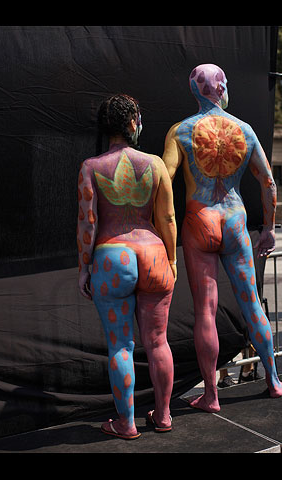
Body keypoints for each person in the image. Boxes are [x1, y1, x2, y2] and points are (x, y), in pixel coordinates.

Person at [162, 64, 282, 413]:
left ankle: (211, 395)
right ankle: (273, 379)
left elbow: (164, 178)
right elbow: (268, 183)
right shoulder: (244, 130)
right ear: (219, 87)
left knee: (205, 310)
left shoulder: (181, 131)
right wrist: (270, 228)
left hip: (199, 219)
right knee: (252, 302)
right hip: (234, 219)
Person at [77, 94, 177, 439]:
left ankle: (126, 422)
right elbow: (166, 217)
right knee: (158, 342)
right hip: (153, 253)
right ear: (133, 123)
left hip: (112, 257)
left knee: (121, 345)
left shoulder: (91, 167)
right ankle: (163, 416)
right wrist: (173, 259)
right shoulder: (156, 165)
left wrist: (83, 268)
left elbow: (87, 223)